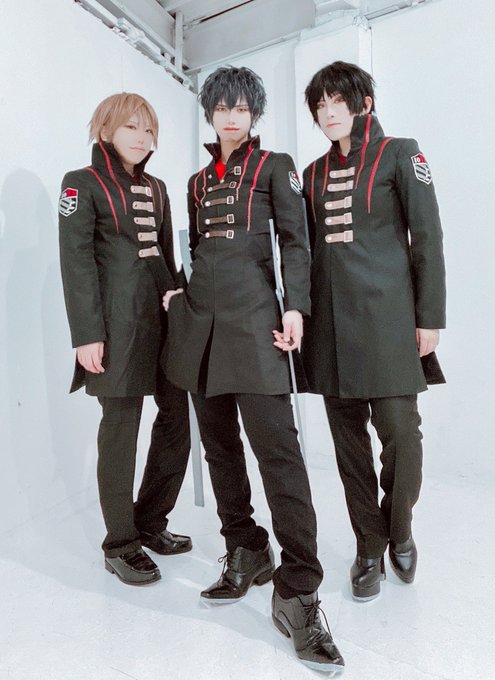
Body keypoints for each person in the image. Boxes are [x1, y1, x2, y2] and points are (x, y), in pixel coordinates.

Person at [162, 66, 344, 673]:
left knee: (280, 457)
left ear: (255, 115)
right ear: (210, 114)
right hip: (201, 333)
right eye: (223, 108)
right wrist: (179, 295)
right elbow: (196, 251)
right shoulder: (195, 182)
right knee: (219, 450)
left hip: (258, 326)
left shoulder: (274, 166)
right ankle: (245, 547)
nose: (232, 118)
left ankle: (299, 592)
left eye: (242, 109)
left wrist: (295, 307)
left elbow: (296, 240)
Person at [301, 61, 446, 602]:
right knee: (350, 451)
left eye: (337, 100)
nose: (328, 112)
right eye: (320, 105)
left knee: (402, 437)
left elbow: (427, 237)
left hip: (389, 323)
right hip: (331, 329)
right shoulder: (311, 174)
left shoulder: (401, 153)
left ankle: (398, 528)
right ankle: (368, 546)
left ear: (364, 102)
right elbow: (299, 249)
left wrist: (429, 317)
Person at [58, 93, 191, 587]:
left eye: (149, 129)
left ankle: (150, 521)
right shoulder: (81, 183)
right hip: (115, 328)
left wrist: (184, 309)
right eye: (132, 126)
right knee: (120, 429)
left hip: (163, 324)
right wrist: (87, 334)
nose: (142, 137)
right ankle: (119, 543)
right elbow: (76, 263)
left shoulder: (158, 188)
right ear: (106, 130)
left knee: (177, 420)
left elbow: (167, 258)